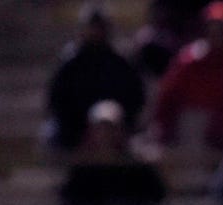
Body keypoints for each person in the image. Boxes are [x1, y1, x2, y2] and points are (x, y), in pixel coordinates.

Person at [151, 0, 223, 158]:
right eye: (213, 27)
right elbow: (168, 97)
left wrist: (220, 128)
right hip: (191, 126)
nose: (217, 33)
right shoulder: (189, 59)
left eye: (222, 28)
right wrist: (165, 126)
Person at [44, 3, 147, 154]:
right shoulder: (71, 63)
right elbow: (57, 103)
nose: (95, 31)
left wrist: (116, 127)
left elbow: (136, 99)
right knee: (51, 134)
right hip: (75, 132)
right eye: (92, 26)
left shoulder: (121, 62)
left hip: (116, 131)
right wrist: (82, 132)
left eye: (99, 26)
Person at [60, 99, 168, 205]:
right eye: (100, 128)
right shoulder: (82, 171)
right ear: (91, 132)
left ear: (121, 130)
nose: (105, 134)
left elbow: (155, 199)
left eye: (110, 128)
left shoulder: (139, 169)